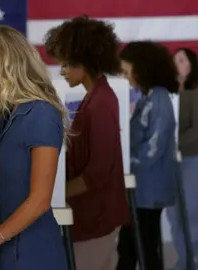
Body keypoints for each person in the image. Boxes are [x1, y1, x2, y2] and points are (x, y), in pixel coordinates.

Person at [0, 25, 68, 270]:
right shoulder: (8, 115)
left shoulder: (42, 113)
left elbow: (39, 201)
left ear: (4, 68)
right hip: (6, 249)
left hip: (34, 254)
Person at [44, 15, 130, 270]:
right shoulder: (96, 97)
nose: (61, 70)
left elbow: (98, 173)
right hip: (93, 214)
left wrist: (50, 196)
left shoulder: (101, 103)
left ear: (86, 62)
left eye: (67, 64)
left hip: (98, 215)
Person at [117, 41, 179, 270]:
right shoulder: (148, 97)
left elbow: (154, 147)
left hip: (149, 188)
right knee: (131, 245)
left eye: (126, 71)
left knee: (143, 247)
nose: (125, 77)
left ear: (142, 68)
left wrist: (124, 164)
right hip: (142, 187)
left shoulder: (159, 100)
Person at [166, 47, 198, 270]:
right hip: (171, 162)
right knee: (175, 217)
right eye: (175, 60)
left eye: (182, 60)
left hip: (194, 160)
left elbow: (197, 130)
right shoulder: (169, 92)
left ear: (191, 65)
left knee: (194, 215)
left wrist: (172, 145)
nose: (177, 64)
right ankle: (184, 262)